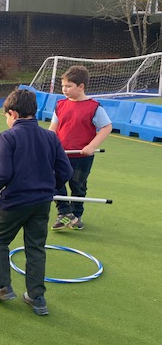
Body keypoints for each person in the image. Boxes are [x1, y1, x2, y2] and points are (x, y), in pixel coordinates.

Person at [0, 88, 73, 316]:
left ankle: (3, 287)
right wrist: (50, 187)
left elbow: (3, 173)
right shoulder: (50, 136)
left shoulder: (8, 136)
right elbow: (66, 170)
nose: (6, 120)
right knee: (35, 248)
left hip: (15, 202)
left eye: (6, 116)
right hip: (41, 202)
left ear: (12, 113)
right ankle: (37, 297)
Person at [49, 65, 112, 231]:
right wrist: (48, 144)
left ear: (81, 86)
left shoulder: (94, 107)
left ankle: (76, 216)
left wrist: (91, 146)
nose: (64, 89)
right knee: (55, 182)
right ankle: (64, 213)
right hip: (60, 154)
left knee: (78, 186)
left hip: (82, 157)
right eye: (63, 86)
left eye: (68, 86)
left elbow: (106, 127)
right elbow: (53, 128)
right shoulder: (60, 105)